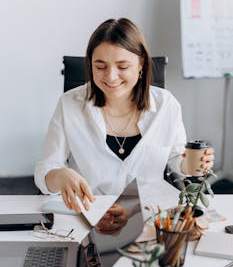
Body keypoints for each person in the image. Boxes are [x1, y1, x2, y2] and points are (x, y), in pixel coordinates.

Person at [35, 18, 214, 217]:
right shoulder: (69, 104)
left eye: (122, 67)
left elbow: (176, 161)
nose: (111, 77)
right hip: (90, 212)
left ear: (141, 65)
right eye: (100, 67)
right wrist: (60, 175)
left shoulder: (166, 105)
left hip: (150, 213)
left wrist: (190, 165)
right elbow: (45, 171)